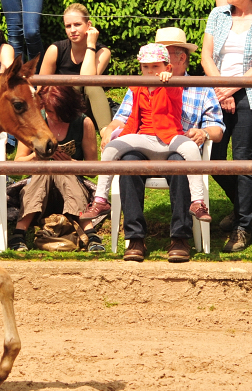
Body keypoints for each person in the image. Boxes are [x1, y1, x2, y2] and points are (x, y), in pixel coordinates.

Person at [97, 28, 225, 262]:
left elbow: (217, 129)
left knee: (179, 164)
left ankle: (180, 237)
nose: (156, 62)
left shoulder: (201, 87)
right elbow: (122, 117)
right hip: (143, 144)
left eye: (164, 56)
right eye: (151, 61)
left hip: (177, 147)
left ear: (180, 59)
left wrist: (203, 132)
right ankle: (134, 238)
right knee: (128, 163)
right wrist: (109, 130)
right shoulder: (141, 82)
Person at [81, 43, 211, 224]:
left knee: (190, 148)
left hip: (168, 137)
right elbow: (133, 117)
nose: (151, 71)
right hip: (144, 138)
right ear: (141, 68)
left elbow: (174, 93)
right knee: (111, 148)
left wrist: (168, 79)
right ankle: (100, 200)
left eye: (156, 66)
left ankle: (197, 202)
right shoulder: (138, 87)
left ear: (168, 67)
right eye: (146, 67)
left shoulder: (173, 84)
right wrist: (117, 133)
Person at [7, 85, 102, 252]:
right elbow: (17, 165)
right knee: (46, 169)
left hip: (71, 189)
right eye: (49, 112)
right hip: (38, 191)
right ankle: (19, 232)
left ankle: (90, 233)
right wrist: (36, 158)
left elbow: (92, 170)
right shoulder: (35, 121)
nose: (54, 117)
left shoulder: (84, 122)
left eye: (58, 113)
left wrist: (71, 163)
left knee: (61, 170)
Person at [202, 0, 252, 252]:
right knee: (214, 158)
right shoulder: (218, 14)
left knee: (243, 159)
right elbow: (206, 56)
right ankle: (244, 208)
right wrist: (222, 88)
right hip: (218, 90)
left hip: (250, 95)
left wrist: (232, 87)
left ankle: (243, 226)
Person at [39, 3, 111, 132]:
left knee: (92, 85)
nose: (72, 30)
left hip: (88, 107)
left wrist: (91, 45)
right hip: (60, 106)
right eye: (68, 26)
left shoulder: (102, 52)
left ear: (88, 25)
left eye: (77, 24)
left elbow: (87, 79)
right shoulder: (55, 50)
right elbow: (41, 87)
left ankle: (106, 133)